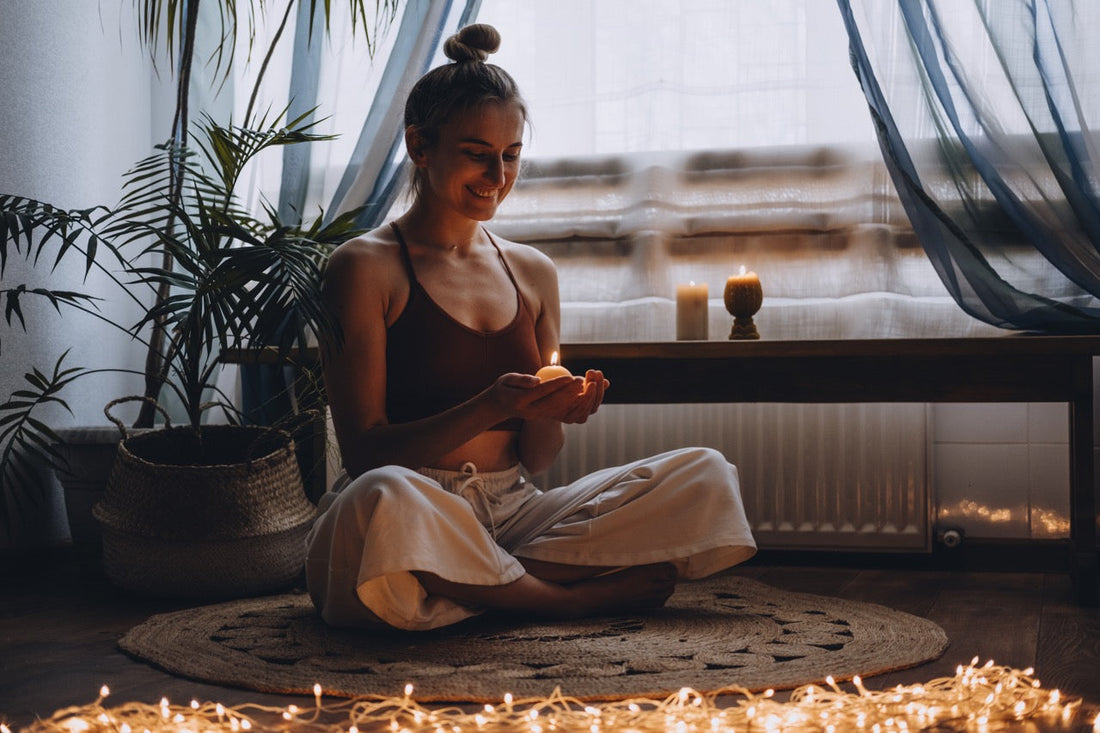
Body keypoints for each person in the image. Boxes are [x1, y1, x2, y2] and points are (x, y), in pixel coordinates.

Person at [305, 23, 756, 631]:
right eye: (477, 153)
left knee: (705, 472)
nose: (498, 175)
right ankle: (564, 597)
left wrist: (552, 411)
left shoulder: (533, 272)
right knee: (378, 500)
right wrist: (492, 405)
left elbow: (538, 460)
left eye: (511, 155)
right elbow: (365, 454)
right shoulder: (363, 267)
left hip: (515, 511)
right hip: (415, 505)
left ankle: (470, 582)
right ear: (419, 146)